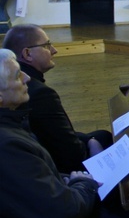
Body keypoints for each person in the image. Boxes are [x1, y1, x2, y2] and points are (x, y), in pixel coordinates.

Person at [0, 48, 129, 218]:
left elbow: (29, 182)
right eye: (18, 75)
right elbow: (60, 216)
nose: (27, 78)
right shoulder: (8, 145)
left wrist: (63, 181)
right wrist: (84, 184)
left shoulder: (11, 128)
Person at [2, 24, 113, 173]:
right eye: (47, 46)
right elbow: (70, 153)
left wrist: (89, 139)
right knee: (105, 140)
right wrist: (92, 143)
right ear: (28, 54)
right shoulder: (40, 94)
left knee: (101, 135)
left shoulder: (11, 84)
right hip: (62, 171)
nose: (54, 50)